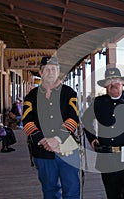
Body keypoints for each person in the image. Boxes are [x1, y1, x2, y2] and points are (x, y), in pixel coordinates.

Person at [82, 67, 124, 199]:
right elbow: (86, 121)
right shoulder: (98, 103)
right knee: (112, 195)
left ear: (122, 83)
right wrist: (92, 139)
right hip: (107, 157)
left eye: (116, 81)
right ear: (106, 85)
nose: (113, 84)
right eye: (109, 81)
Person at [22, 56, 80, 199]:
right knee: (49, 190)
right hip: (42, 151)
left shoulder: (69, 93)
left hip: (67, 150)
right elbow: (27, 121)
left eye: (54, 69)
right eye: (47, 69)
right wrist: (43, 140)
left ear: (58, 71)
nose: (50, 72)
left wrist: (57, 139)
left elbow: (73, 118)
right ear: (41, 72)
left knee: (72, 190)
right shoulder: (31, 96)